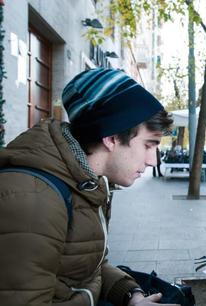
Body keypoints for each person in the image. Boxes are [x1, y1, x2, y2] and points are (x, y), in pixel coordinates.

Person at [0, 68, 179, 305]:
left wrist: (131, 295)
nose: (153, 161)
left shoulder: (88, 181)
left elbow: (86, 266)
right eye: (149, 144)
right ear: (111, 137)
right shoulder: (34, 199)